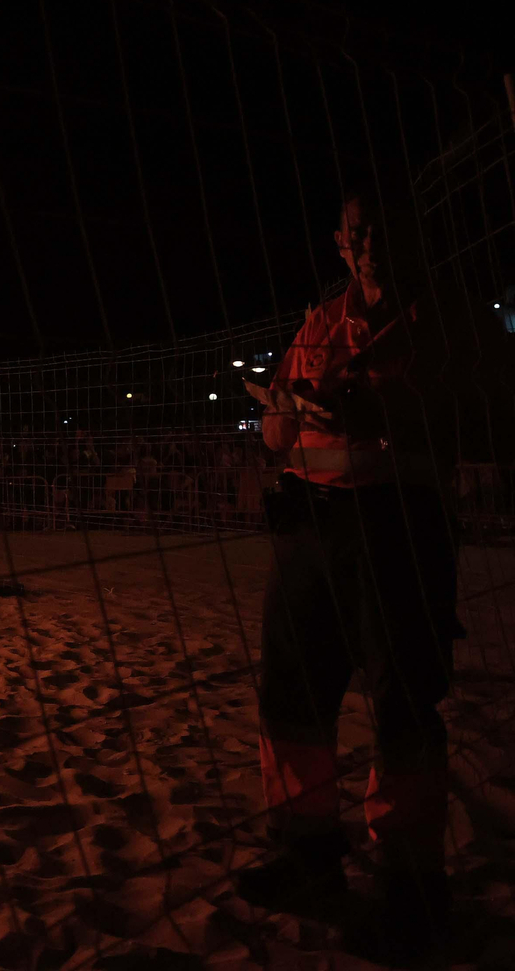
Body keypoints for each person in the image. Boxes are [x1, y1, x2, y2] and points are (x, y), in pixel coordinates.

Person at [238, 189, 490, 958]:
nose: (370, 243)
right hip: (312, 521)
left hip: (398, 524)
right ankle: (305, 850)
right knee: (292, 691)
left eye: (384, 229)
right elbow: (275, 430)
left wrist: (373, 413)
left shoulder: (443, 319)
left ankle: (411, 883)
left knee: (403, 703)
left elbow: (468, 409)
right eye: (358, 232)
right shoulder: (319, 321)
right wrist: (286, 412)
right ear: (339, 243)